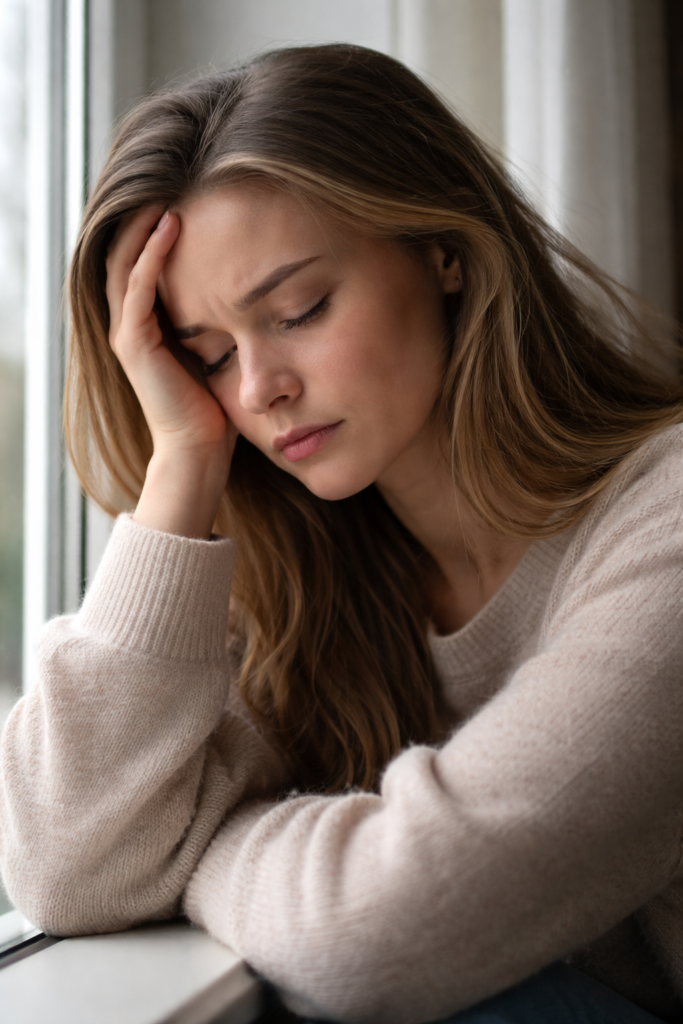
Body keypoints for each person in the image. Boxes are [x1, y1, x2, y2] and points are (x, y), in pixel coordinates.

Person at [1, 42, 683, 1024]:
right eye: (205, 356)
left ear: (443, 250)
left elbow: (383, 931)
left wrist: (209, 843)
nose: (256, 388)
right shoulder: (307, 579)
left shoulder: (660, 521)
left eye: (298, 309)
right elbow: (68, 867)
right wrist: (183, 465)